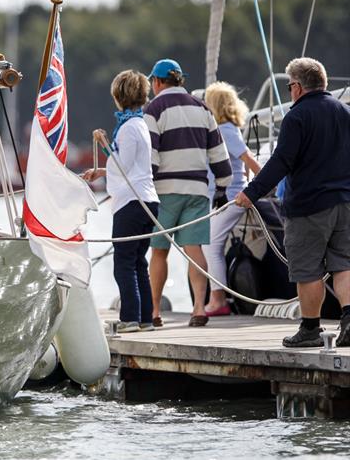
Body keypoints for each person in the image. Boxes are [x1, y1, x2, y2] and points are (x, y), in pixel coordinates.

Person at [235, 57, 350, 348]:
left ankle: (310, 329)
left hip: (309, 206)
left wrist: (251, 193)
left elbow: (281, 162)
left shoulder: (296, 117)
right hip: (345, 202)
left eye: (289, 86)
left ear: (297, 87)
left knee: (308, 270)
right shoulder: (345, 111)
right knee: (344, 266)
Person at [143, 59, 232, 327]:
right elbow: (219, 154)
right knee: (195, 249)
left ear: (157, 82)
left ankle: (155, 312)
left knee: (159, 251)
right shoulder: (202, 108)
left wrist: (145, 187)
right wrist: (224, 185)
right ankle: (198, 309)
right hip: (197, 190)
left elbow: (152, 157)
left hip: (165, 191)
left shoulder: (154, 108)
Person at [84, 70, 159, 332]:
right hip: (147, 200)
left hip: (131, 203)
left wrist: (104, 145)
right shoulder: (140, 124)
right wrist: (102, 171)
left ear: (119, 97)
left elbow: (123, 166)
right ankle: (145, 319)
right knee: (139, 263)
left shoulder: (128, 128)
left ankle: (129, 319)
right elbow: (132, 167)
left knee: (124, 263)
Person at [202, 82, 262, 316]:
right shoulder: (225, 129)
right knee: (210, 245)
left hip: (231, 197)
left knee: (211, 246)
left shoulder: (225, 130)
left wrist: (261, 186)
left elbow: (247, 159)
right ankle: (217, 298)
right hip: (225, 197)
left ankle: (218, 300)